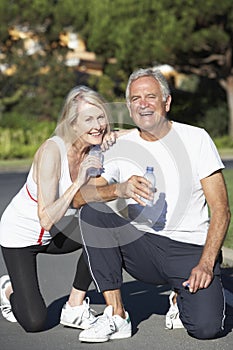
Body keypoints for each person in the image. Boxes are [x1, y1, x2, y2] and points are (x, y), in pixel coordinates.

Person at [72, 68, 231, 343]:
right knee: (93, 215)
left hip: (189, 251)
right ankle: (116, 314)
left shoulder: (196, 139)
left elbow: (221, 209)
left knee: (206, 328)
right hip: (143, 247)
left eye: (150, 96)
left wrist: (206, 264)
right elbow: (79, 198)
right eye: (135, 98)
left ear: (166, 102)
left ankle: (184, 294)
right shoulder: (120, 146)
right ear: (129, 106)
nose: (143, 103)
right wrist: (118, 189)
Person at [0, 85, 118, 332]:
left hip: (55, 235)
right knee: (35, 322)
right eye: (88, 119)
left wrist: (115, 134)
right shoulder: (52, 151)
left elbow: (137, 134)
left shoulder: (96, 142)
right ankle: (8, 289)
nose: (97, 125)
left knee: (103, 227)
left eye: (100, 117)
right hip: (21, 235)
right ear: (73, 124)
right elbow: (45, 219)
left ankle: (74, 306)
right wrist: (78, 182)